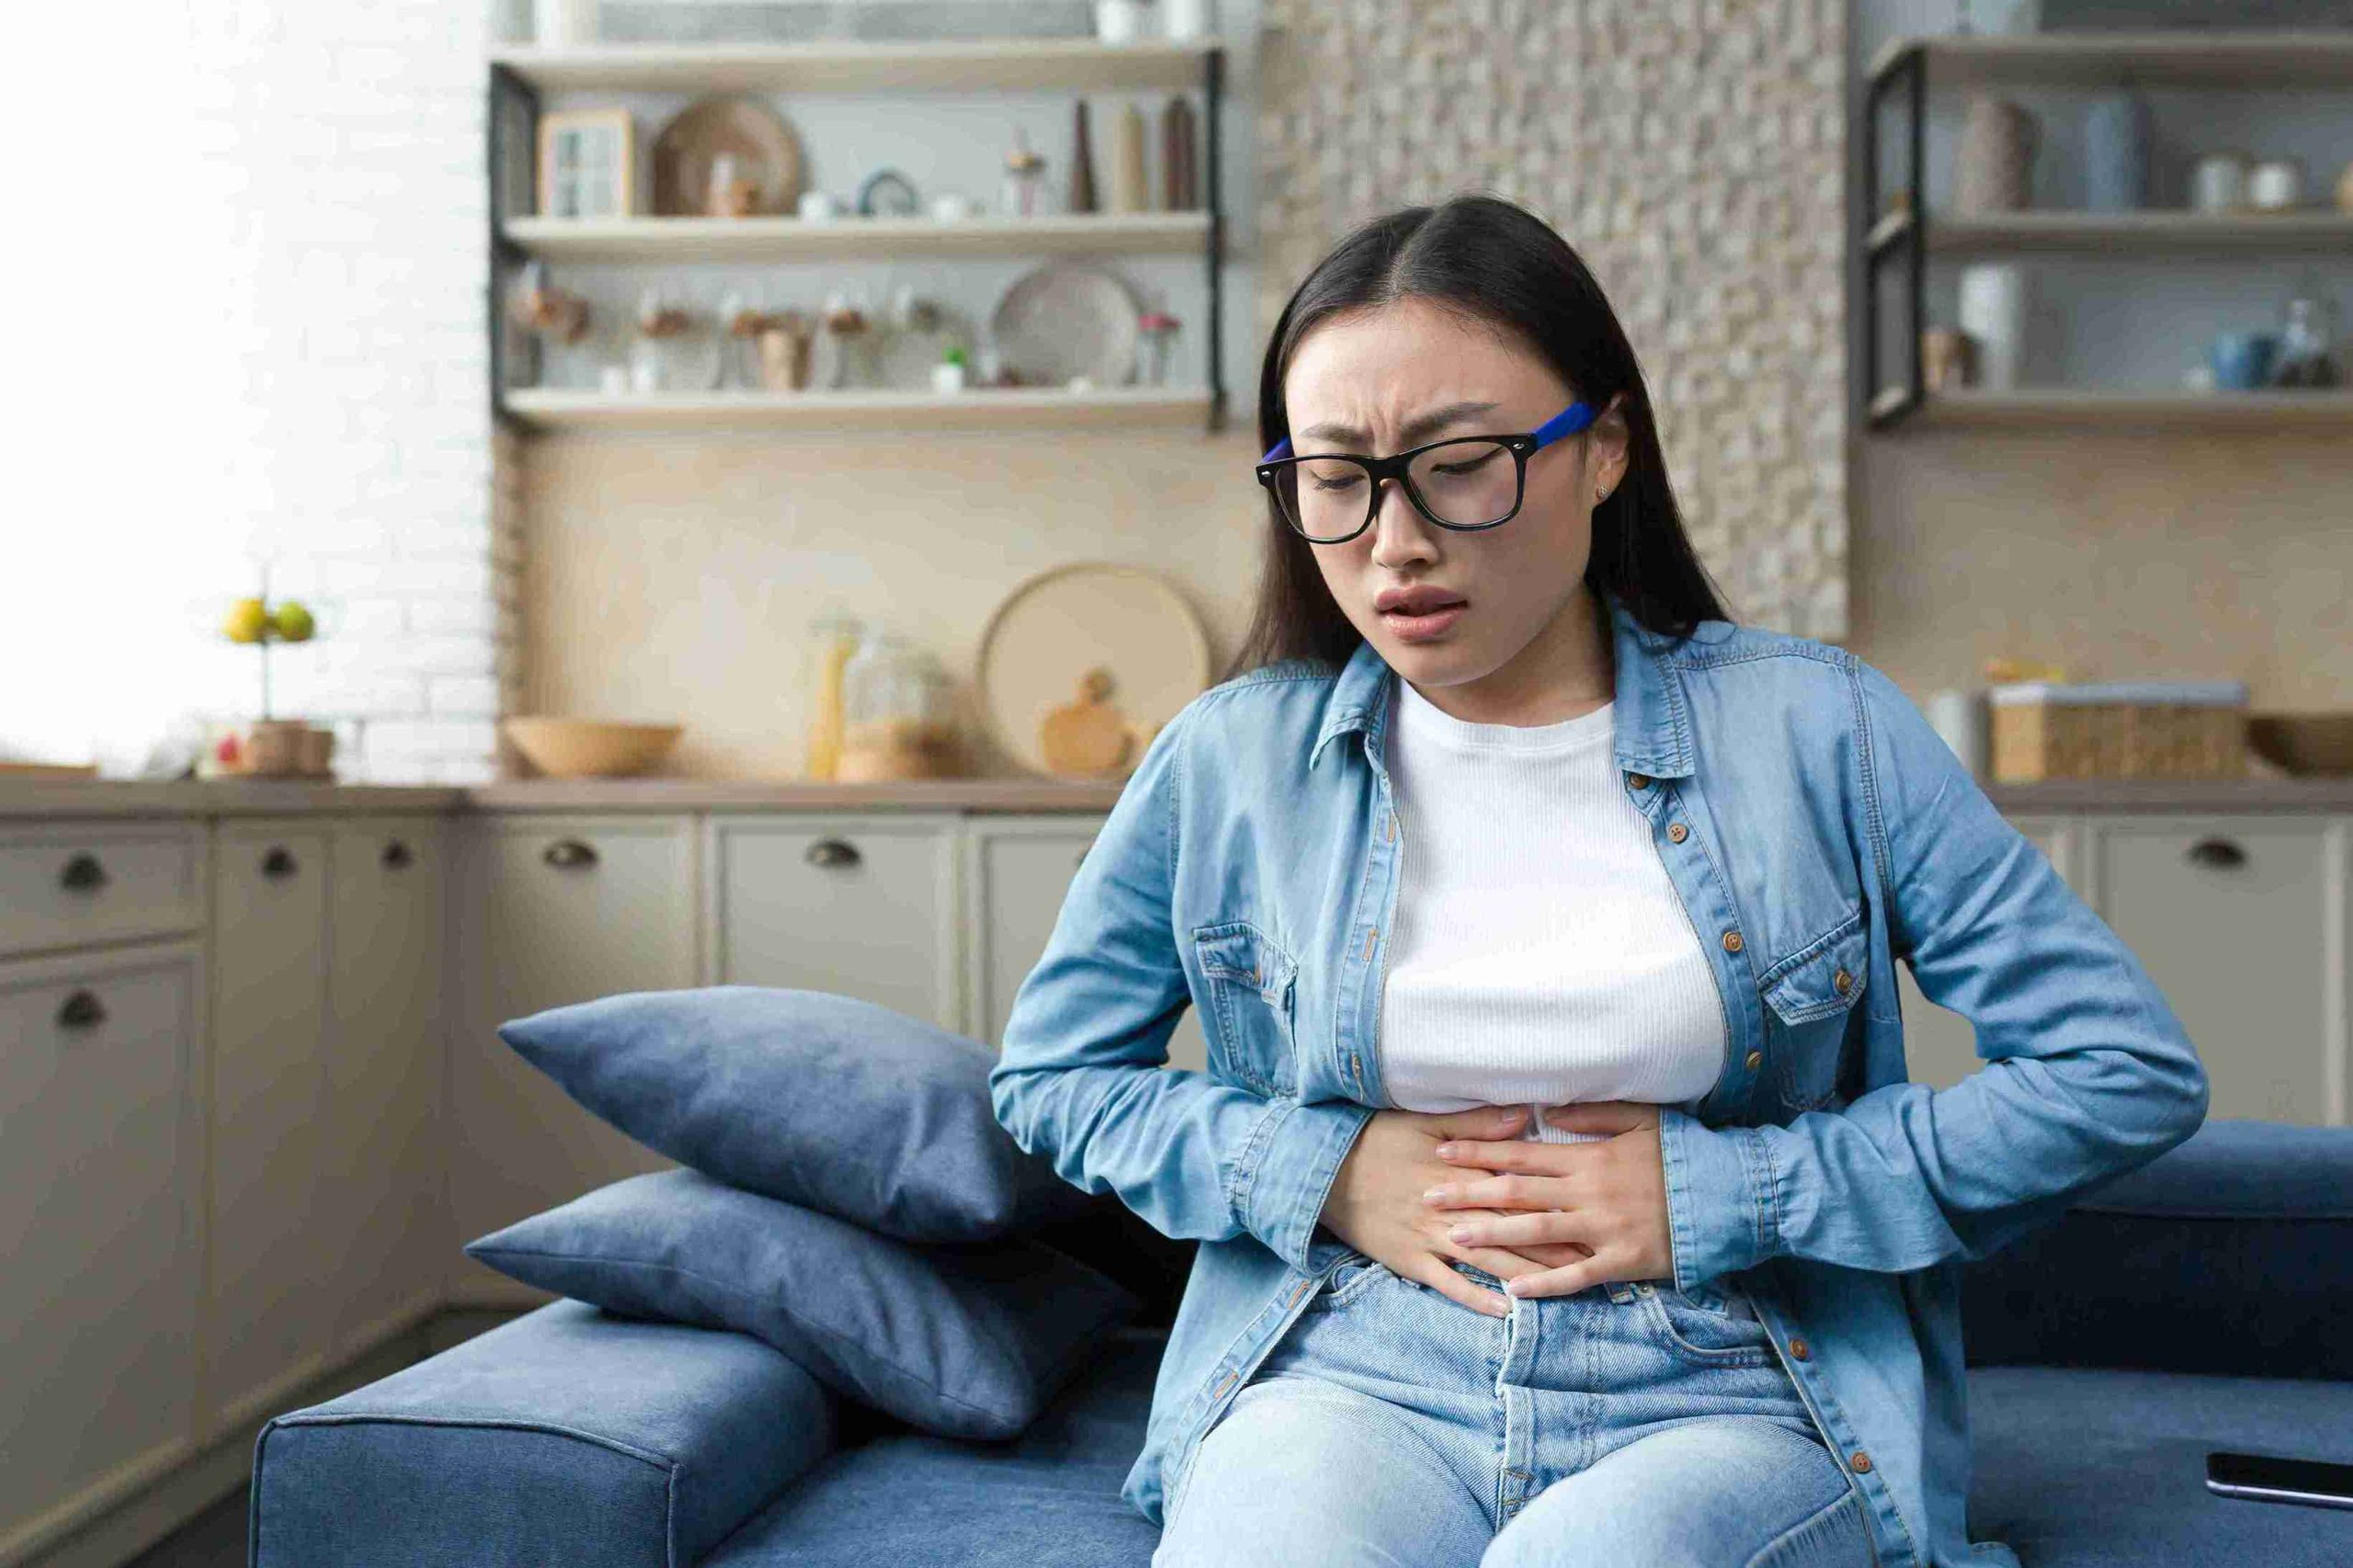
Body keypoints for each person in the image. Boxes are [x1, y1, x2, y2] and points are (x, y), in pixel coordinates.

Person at [987, 192, 2209, 1568]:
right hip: (1349, 1369)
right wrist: (1321, 1169)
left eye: (1461, 463)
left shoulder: (1824, 731)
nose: (1394, 540)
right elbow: (1054, 1076)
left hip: (1727, 1382)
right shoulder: (1228, 760)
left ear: (1605, 448)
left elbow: (2120, 1068)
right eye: (1336, 475)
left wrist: (1734, 1196)